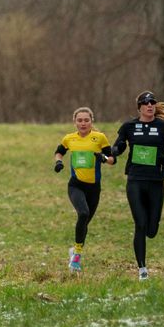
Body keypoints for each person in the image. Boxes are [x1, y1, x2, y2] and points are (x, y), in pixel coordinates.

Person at [111, 91, 164, 280]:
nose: (150, 105)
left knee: (152, 230)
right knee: (140, 224)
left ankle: (150, 234)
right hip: (135, 180)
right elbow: (118, 146)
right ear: (139, 107)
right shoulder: (129, 126)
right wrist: (115, 151)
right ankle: (142, 269)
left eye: (152, 102)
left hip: (156, 181)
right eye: (146, 103)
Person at [54, 107, 115, 272]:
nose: (83, 123)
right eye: (79, 120)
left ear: (91, 122)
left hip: (94, 188)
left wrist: (103, 158)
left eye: (86, 120)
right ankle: (76, 258)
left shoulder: (100, 138)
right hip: (76, 185)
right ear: (75, 122)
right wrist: (58, 162)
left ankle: (74, 250)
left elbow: (112, 159)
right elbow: (58, 152)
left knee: (85, 223)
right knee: (83, 213)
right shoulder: (69, 139)